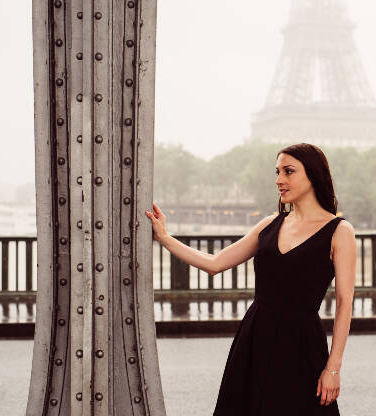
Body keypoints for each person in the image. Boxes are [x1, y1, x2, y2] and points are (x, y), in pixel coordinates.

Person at [145, 142, 356, 415]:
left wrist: (333, 367)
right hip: (254, 338)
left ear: (313, 174)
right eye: (277, 171)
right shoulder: (270, 224)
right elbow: (215, 264)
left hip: (302, 346)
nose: (279, 180)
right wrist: (164, 238)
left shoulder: (339, 231)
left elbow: (344, 302)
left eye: (289, 171)